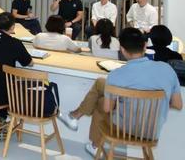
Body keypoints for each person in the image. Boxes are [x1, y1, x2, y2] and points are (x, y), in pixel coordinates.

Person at [59, 28, 182, 157]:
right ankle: (87, 135)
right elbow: (178, 104)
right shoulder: (167, 69)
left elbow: (107, 109)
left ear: (122, 49)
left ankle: (88, 136)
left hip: (122, 129)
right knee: (101, 90)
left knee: (101, 102)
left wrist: (126, 102)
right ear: (145, 46)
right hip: (151, 132)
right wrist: (154, 104)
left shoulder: (116, 75)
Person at [0, 12, 33, 126]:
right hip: (2, 95)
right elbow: (29, 63)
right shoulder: (15, 43)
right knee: (8, 85)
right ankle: (0, 118)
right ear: (12, 27)